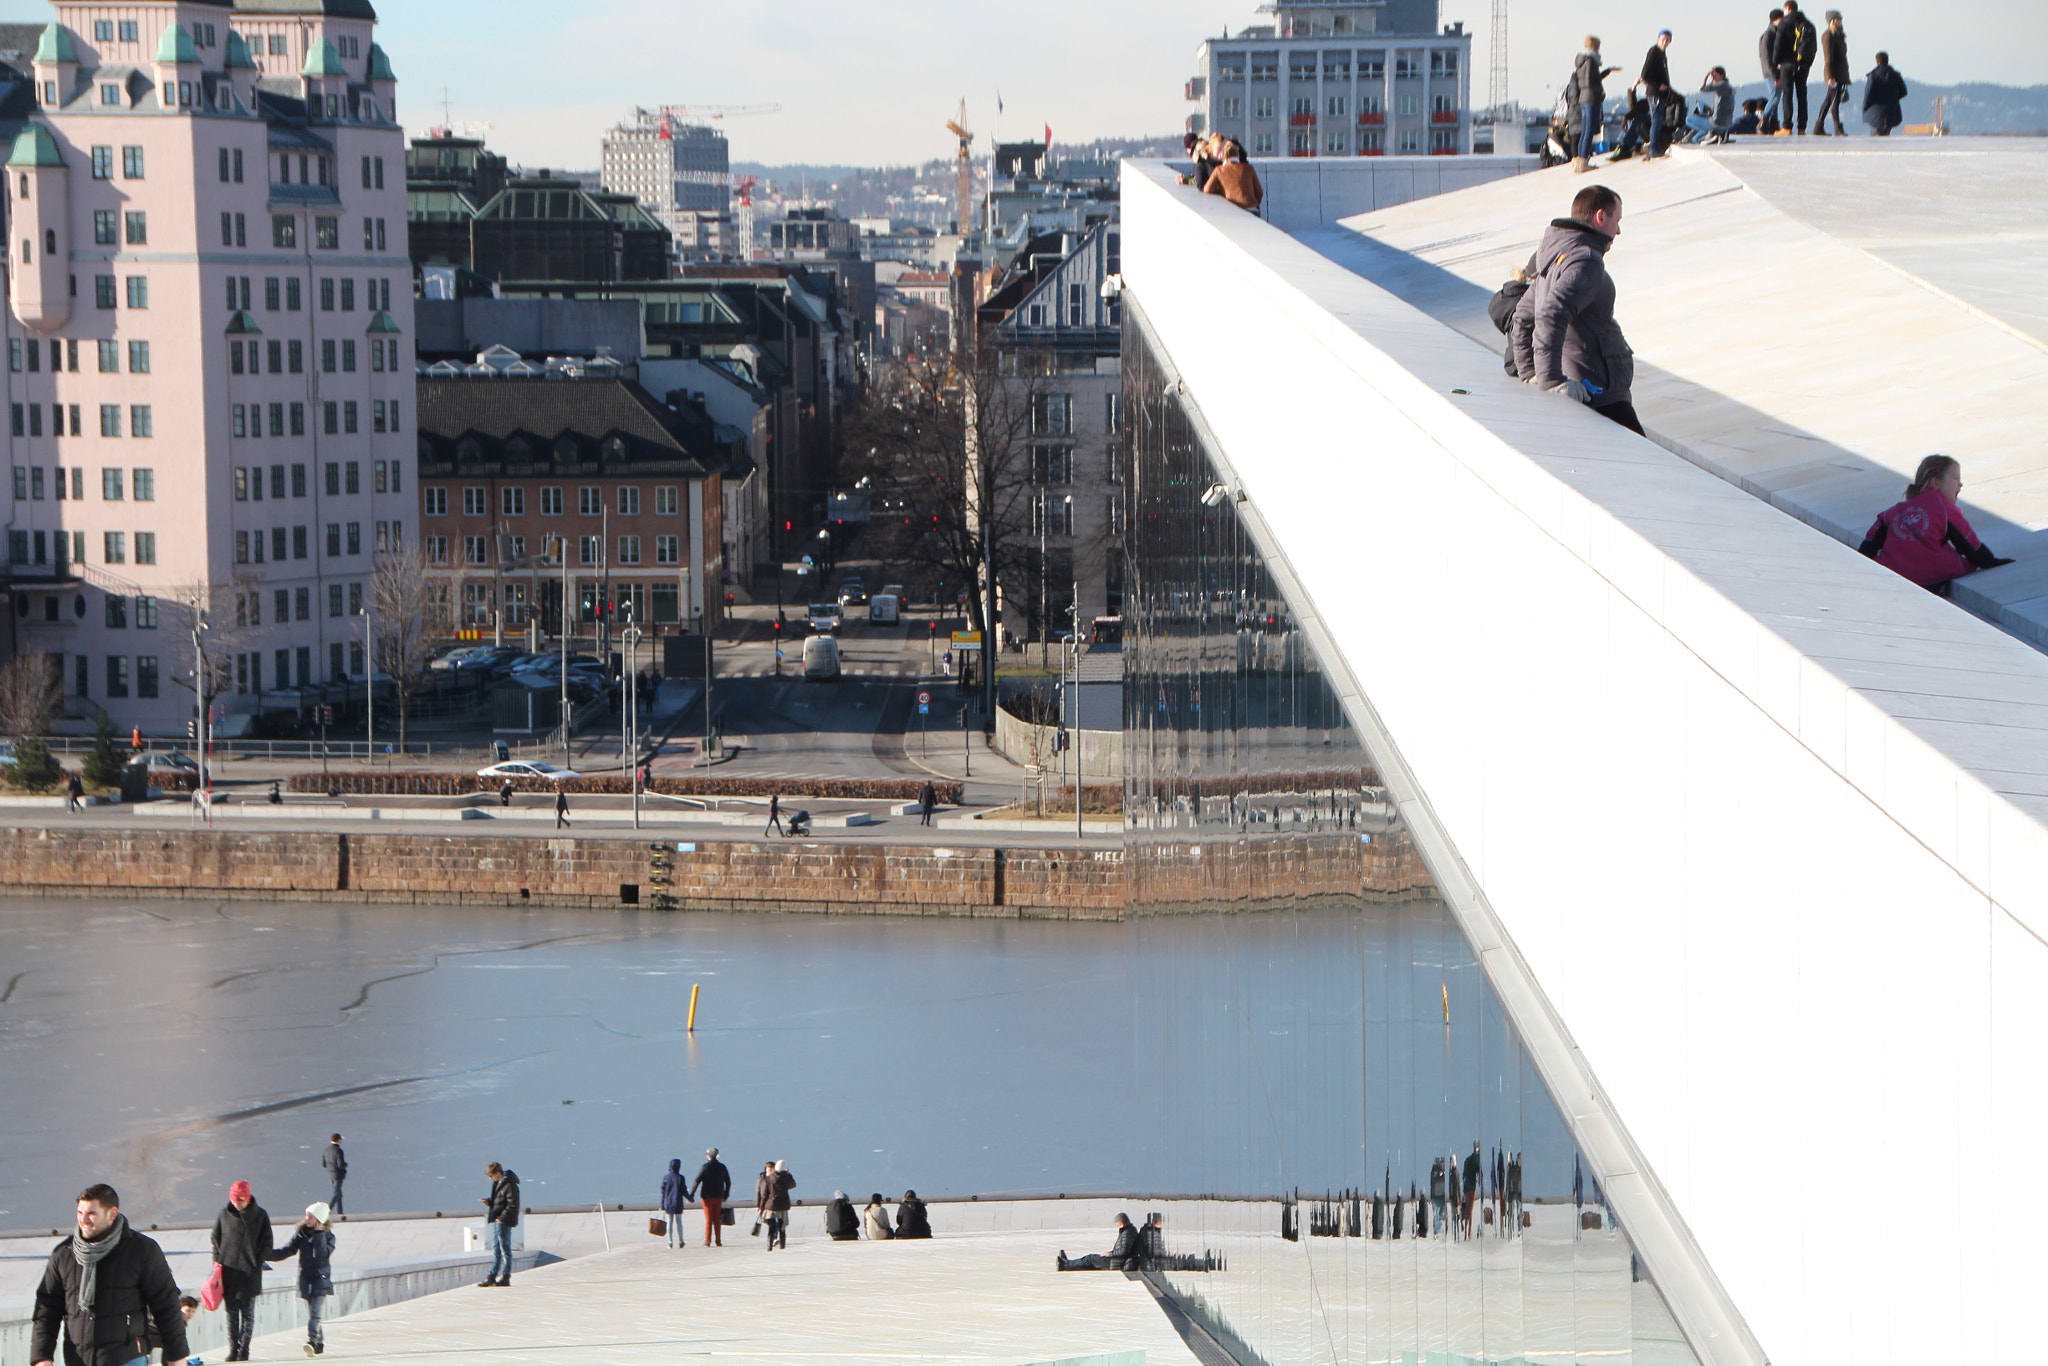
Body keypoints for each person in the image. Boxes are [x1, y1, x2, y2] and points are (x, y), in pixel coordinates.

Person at [1515, 184, 1643, 435]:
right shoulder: (1586, 260)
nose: (1618, 230)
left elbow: (1523, 315)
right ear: (1600, 217)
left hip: (1589, 386)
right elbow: (1551, 313)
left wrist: (1529, 370)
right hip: (1600, 392)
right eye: (1617, 220)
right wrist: (1550, 379)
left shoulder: (1556, 255)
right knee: (1651, 465)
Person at [32, 1184, 189, 1366]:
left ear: (112, 1214)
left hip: (126, 1357)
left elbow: (166, 1304)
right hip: (79, 1359)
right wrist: (42, 1357)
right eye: (80, 1213)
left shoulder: (141, 1250)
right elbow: (47, 1310)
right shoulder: (64, 1254)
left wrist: (177, 1357)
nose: (84, 1220)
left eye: (91, 1213)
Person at [1858, 456, 2011, 595]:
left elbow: (1869, 545)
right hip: (1929, 576)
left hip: (1893, 574)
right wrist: (1989, 561)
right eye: (1956, 479)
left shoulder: (1895, 511)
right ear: (1935, 482)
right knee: (1960, 562)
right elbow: (1969, 544)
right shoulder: (1944, 509)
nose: (1961, 484)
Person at [209, 1182, 269, 1362]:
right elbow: (215, 1238)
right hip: (229, 1271)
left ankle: (244, 1349)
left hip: (250, 1272)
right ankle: (233, 1349)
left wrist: (258, 1261)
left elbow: (267, 1241)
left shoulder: (259, 1215)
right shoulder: (224, 1215)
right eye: (235, 1201)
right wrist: (217, 1262)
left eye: (241, 1201)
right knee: (231, 1314)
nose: (238, 1204)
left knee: (248, 1314)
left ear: (248, 1199)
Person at [266, 1203, 335, 1358]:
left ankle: (311, 1341)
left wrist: (318, 1234)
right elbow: (287, 1251)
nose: (306, 1219)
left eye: (310, 1216)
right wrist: (264, 1255)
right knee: (312, 1313)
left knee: (315, 1313)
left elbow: (321, 1254)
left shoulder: (328, 1236)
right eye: (306, 1215)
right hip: (305, 1279)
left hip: (320, 1279)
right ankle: (319, 1343)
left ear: (319, 1218)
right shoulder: (300, 1234)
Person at [1570, 37, 1619, 173]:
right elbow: (1592, 81)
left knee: (1585, 130)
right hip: (1592, 98)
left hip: (1583, 98)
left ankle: (1580, 162)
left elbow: (1587, 79)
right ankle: (1584, 163)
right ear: (1596, 46)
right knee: (1589, 131)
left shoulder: (1582, 61)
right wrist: (1600, 92)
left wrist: (1608, 71)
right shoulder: (1591, 60)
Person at [1773, 0, 1817, 134]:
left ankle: (1787, 126)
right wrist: (1807, 62)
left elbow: (1778, 44)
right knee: (1802, 95)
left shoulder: (1784, 23)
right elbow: (1813, 46)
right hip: (1803, 64)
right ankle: (1802, 127)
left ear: (1787, 8)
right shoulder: (1808, 24)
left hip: (1787, 64)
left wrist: (1777, 61)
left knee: (1787, 95)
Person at [477, 1162, 518, 1287]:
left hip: (503, 1221)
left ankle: (505, 1276)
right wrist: (489, 1202)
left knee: (505, 1249)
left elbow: (512, 1205)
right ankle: (492, 1276)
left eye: (491, 1176)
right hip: (497, 1220)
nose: (490, 1179)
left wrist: (501, 1218)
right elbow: (499, 1201)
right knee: (496, 1249)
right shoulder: (498, 1183)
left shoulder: (510, 1185)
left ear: (498, 1173)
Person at [1056, 1213, 1138, 1271]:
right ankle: (1068, 1263)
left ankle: (1065, 1265)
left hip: (1116, 1262)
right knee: (1090, 1262)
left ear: (1122, 1224)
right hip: (1116, 1260)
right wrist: (1109, 1253)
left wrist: (1109, 1254)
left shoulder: (1127, 1233)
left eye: (1117, 1224)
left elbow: (1124, 1251)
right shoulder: (1129, 1231)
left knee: (1090, 1259)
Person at [1201, 139, 1263, 214]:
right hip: (1252, 209)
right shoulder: (1249, 168)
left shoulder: (1219, 170)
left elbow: (1207, 189)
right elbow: (1259, 192)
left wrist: (1221, 190)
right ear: (1238, 154)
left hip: (1232, 209)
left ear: (1223, 156)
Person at [1639, 31, 1674, 158]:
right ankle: (1654, 150)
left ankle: (1655, 148)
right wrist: (1658, 85)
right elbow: (1645, 75)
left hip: (1662, 95)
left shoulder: (1662, 54)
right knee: (1656, 120)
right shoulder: (1653, 52)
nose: (1665, 42)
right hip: (1655, 94)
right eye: (1663, 39)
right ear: (1658, 39)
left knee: (1658, 121)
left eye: (1667, 40)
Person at [1814, 10, 1851, 135]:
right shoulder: (1828, 35)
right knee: (1834, 100)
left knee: (1830, 100)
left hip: (1839, 71)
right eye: (1837, 19)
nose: (1840, 21)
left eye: (1840, 18)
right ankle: (1837, 127)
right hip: (1834, 73)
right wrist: (1830, 76)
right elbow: (1828, 57)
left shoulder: (1838, 35)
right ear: (1831, 21)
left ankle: (1819, 127)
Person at [692, 1148, 730, 1247]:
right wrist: (726, 1194)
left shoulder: (705, 1167)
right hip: (718, 1196)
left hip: (707, 1197)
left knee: (709, 1219)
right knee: (717, 1219)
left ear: (708, 1155)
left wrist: (691, 1195)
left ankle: (708, 1241)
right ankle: (718, 1240)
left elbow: (697, 1181)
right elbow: (728, 1182)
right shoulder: (722, 1167)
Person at [1687, 68, 1736, 143]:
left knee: (1689, 119)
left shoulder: (1721, 85)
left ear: (1722, 75)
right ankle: (1715, 136)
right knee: (1695, 139)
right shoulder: (1729, 87)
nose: (1712, 78)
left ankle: (1712, 135)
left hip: (1716, 123)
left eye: (1714, 76)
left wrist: (1707, 75)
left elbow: (1702, 88)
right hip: (1727, 124)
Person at [1863, 51, 1907, 135]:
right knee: (1885, 139)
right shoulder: (1896, 75)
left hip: (1875, 113)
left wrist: (1865, 107)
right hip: (1890, 112)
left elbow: (1868, 94)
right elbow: (1904, 92)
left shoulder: (1873, 76)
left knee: (1875, 141)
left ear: (1877, 61)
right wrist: (1893, 98)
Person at [1757, 9, 1785, 132]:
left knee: (1775, 96)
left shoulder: (1776, 33)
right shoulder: (1769, 35)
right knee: (1775, 96)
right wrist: (1775, 76)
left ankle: (1774, 124)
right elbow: (1767, 57)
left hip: (1773, 71)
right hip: (1771, 72)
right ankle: (1764, 118)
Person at [658, 1160, 689, 1249]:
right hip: (678, 1202)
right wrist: (690, 1199)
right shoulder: (680, 1178)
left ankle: (670, 1242)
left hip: (668, 1203)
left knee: (669, 1222)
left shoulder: (666, 1177)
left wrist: (662, 1204)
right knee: (679, 1222)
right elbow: (684, 1191)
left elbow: (663, 1192)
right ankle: (681, 1240)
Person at [321, 1134, 346, 1217]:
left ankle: (340, 1212)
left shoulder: (326, 1150)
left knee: (338, 1193)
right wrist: (345, 1165)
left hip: (330, 1174)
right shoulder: (338, 1150)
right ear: (338, 1140)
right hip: (338, 1174)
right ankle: (327, 1210)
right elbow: (340, 1164)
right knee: (336, 1193)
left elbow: (324, 1164)